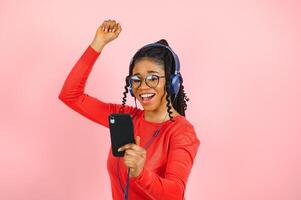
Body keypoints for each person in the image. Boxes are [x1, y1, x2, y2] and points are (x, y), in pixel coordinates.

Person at [58, 19, 200, 200]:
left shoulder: (181, 132)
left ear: (172, 83)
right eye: (136, 79)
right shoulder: (127, 118)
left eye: (153, 78)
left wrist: (141, 174)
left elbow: (175, 194)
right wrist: (98, 44)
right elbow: (70, 95)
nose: (143, 86)